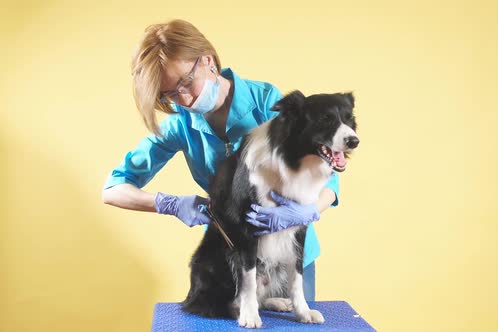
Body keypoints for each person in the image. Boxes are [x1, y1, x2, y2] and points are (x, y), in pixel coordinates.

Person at [101, 19, 339, 301]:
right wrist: (170, 204)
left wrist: (307, 211)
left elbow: (324, 169)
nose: (184, 99)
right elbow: (112, 190)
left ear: (207, 60)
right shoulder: (180, 125)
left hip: (289, 254)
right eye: (170, 94)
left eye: (185, 83)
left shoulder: (266, 102)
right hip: (234, 260)